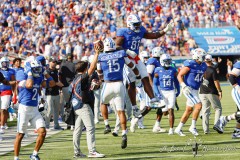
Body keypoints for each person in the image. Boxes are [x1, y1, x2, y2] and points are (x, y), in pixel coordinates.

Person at [115, 14, 174, 121]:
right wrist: (127, 51)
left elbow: (154, 35)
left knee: (145, 77)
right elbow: (116, 46)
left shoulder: (141, 30)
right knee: (131, 84)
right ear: (129, 24)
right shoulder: (123, 31)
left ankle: (152, 99)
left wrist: (165, 30)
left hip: (136, 58)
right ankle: (134, 107)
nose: (138, 26)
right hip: (125, 59)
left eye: (139, 24)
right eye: (135, 24)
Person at [97, 38, 140, 149]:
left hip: (108, 84)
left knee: (103, 103)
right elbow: (132, 65)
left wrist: (101, 79)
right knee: (121, 111)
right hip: (119, 85)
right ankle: (124, 133)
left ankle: (107, 125)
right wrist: (137, 74)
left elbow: (99, 72)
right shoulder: (121, 54)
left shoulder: (101, 56)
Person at [14, 58, 55, 160]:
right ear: (30, 68)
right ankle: (16, 158)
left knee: (43, 132)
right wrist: (29, 73)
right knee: (20, 135)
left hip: (34, 109)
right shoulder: (21, 73)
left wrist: (45, 73)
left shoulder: (39, 75)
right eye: (35, 69)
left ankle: (34, 154)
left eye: (39, 69)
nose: (38, 71)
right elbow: (29, 85)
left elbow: (52, 84)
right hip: (24, 108)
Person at [72, 42, 105, 158]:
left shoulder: (75, 78)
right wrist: (97, 53)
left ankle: (77, 152)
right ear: (84, 69)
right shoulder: (82, 77)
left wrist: (94, 86)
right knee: (90, 128)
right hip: (83, 105)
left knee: (78, 129)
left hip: (77, 105)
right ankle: (92, 151)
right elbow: (92, 68)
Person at [174, 48, 207, 136]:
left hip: (196, 90)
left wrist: (203, 79)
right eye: (202, 56)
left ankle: (178, 128)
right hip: (188, 89)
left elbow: (201, 74)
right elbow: (179, 75)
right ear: (197, 56)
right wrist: (183, 85)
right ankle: (192, 127)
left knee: (189, 110)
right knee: (199, 105)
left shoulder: (203, 65)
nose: (204, 58)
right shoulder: (190, 64)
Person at [153, 54, 180, 135]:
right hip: (162, 92)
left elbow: (176, 81)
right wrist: (157, 93)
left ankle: (171, 129)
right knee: (164, 112)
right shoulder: (158, 70)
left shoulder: (173, 70)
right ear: (162, 61)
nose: (168, 62)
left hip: (171, 91)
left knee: (171, 110)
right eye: (166, 61)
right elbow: (154, 84)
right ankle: (157, 125)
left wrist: (178, 90)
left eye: (169, 61)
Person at [213, 59, 240, 138]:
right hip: (238, 91)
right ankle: (224, 119)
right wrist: (238, 88)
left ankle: (237, 132)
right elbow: (231, 77)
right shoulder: (239, 64)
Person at [199, 54, 222, 134]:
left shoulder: (201, 69)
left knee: (205, 111)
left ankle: (206, 130)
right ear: (211, 60)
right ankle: (217, 125)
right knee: (218, 108)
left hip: (202, 92)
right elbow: (216, 82)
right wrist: (219, 91)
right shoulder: (212, 70)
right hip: (211, 92)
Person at [45, 57, 64, 130]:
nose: (54, 63)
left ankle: (56, 125)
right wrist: (57, 83)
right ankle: (46, 125)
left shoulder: (56, 71)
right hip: (49, 92)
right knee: (49, 110)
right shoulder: (47, 71)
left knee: (56, 110)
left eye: (54, 62)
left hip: (56, 92)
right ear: (49, 62)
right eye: (52, 62)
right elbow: (47, 83)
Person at [0, 57, 16, 134]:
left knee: (4, 109)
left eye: (6, 63)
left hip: (6, 91)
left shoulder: (11, 71)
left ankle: (2, 126)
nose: (5, 64)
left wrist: (15, 93)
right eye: (3, 63)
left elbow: (9, 82)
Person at [0, 71, 13, 141]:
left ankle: (1, 127)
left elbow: (5, 82)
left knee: (3, 110)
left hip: (3, 92)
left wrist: (13, 82)